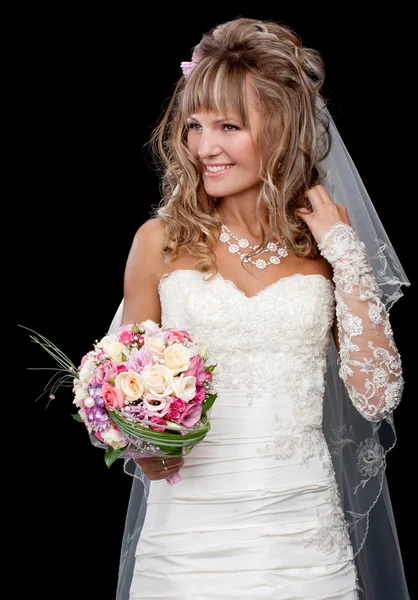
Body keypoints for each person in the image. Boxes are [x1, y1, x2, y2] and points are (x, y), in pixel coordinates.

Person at [109, 17, 410, 599]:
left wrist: (346, 255)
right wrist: (143, 443)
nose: (205, 147)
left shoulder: (325, 251)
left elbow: (378, 396)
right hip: (187, 541)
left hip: (301, 538)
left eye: (229, 126)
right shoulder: (160, 241)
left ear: (282, 129)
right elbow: (121, 394)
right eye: (195, 126)